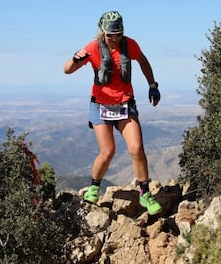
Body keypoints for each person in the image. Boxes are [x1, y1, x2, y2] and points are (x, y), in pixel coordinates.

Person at [63, 11, 162, 215]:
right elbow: (67, 70)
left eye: (118, 33)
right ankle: (94, 187)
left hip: (125, 103)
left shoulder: (130, 45)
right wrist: (74, 59)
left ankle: (145, 193)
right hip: (100, 105)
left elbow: (143, 61)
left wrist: (152, 85)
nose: (114, 38)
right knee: (107, 151)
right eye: (110, 34)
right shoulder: (93, 47)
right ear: (102, 32)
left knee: (136, 149)